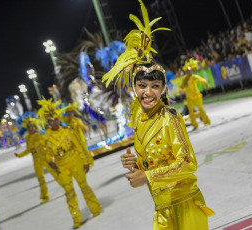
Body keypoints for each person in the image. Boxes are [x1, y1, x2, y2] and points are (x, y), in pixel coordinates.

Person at [102, 1, 214, 229]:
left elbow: (187, 163)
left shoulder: (169, 117)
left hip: (184, 204)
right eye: (142, 85)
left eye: (155, 86)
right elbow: (153, 160)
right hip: (162, 208)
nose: (148, 92)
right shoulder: (140, 120)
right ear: (134, 89)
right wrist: (137, 164)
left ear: (163, 89)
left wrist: (148, 177)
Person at [37, 98, 102, 229]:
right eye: (50, 121)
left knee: (84, 186)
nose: (54, 122)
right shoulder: (46, 137)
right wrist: (50, 161)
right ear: (48, 122)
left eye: (55, 119)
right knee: (69, 192)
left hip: (75, 161)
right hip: (61, 165)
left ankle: (95, 208)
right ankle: (76, 218)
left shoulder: (67, 131)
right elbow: (46, 152)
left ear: (58, 119)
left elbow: (79, 146)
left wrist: (85, 161)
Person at [14, 117, 59, 204]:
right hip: (36, 161)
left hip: (44, 159)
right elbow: (28, 150)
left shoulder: (39, 136)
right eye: (29, 127)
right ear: (27, 129)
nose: (30, 128)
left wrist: (52, 155)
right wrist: (19, 155)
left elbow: (48, 145)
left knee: (55, 174)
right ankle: (45, 196)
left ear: (35, 127)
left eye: (32, 126)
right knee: (41, 179)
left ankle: (66, 187)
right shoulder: (27, 138)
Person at [181, 58, 211, 131]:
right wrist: (183, 89)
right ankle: (195, 125)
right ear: (186, 72)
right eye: (188, 71)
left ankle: (206, 122)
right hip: (189, 98)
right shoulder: (184, 79)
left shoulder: (193, 77)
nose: (189, 72)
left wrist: (207, 84)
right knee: (191, 112)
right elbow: (182, 87)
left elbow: (201, 79)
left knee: (201, 109)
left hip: (197, 95)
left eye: (190, 71)